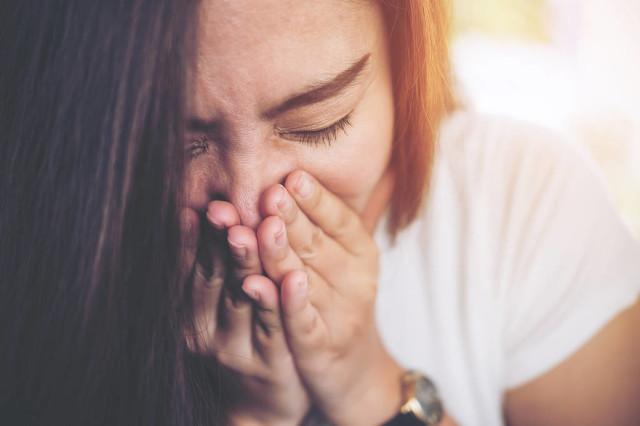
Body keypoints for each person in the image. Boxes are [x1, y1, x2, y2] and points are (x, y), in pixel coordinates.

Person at [2, 2, 639, 426]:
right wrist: (253, 415)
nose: (253, 208)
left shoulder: (523, 208)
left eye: (317, 123)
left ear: (404, 64)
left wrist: (369, 389)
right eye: (179, 143)